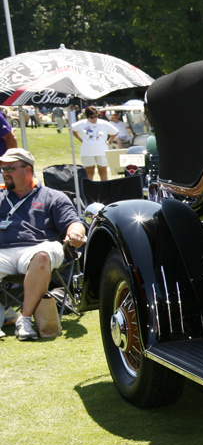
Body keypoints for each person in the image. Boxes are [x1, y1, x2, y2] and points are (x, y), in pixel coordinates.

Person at [0, 148, 85, 340]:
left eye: (10, 168)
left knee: (42, 256)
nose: (5, 172)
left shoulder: (52, 196)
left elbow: (75, 223)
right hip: (3, 251)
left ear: (27, 170)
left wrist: (75, 233)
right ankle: (5, 315)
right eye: (3, 168)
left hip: (39, 247)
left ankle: (25, 319)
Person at [71, 106, 120, 180]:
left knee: (103, 172)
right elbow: (71, 129)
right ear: (87, 117)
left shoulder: (103, 123)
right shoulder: (81, 123)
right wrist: (80, 139)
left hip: (101, 151)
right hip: (87, 152)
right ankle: (90, 189)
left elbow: (115, 132)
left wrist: (109, 141)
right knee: (89, 172)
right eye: (91, 117)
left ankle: (104, 188)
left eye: (96, 116)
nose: (94, 119)